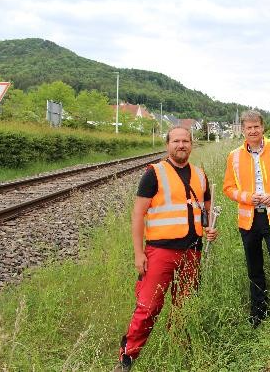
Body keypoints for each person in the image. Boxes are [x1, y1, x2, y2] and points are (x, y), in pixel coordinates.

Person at [115, 126, 218, 371]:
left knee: (184, 305)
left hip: (192, 251)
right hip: (160, 252)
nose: (181, 145)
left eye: (185, 141)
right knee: (148, 306)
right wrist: (139, 253)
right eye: (176, 141)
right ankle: (127, 357)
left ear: (192, 144)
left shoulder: (200, 175)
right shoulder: (154, 174)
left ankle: (179, 350)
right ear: (167, 144)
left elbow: (206, 210)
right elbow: (138, 215)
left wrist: (210, 228)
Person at [223, 110, 270, 328]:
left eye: (256, 126)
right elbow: (228, 187)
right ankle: (259, 313)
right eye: (248, 127)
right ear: (243, 130)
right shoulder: (234, 156)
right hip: (249, 220)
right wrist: (248, 197)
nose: (253, 130)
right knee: (254, 268)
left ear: (263, 127)